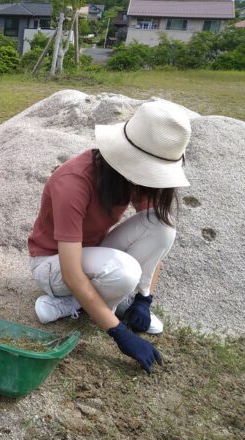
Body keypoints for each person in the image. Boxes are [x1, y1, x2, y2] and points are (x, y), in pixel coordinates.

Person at [28, 100, 192, 374]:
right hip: (52, 264)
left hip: (93, 255)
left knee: (163, 225)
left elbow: (156, 243)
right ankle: (76, 301)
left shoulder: (129, 177)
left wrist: (144, 298)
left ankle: (85, 301)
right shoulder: (73, 182)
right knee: (124, 271)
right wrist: (119, 334)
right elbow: (70, 272)